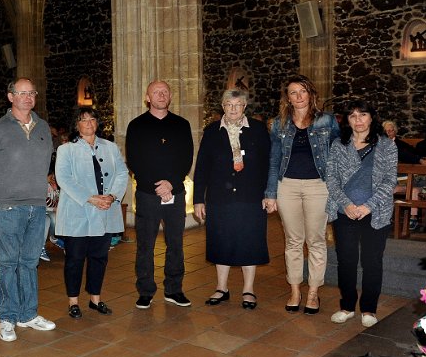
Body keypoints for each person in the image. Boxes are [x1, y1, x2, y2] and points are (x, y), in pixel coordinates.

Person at [0, 78, 57, 342]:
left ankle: (28, 314)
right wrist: (0, 197)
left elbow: (44, 163)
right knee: (8, 263)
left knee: (30, 262)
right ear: (10, 97)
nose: (28, 97)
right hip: (9, 206)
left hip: (37, 204)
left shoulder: (43, 127)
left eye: (31, 93)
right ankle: (8, 317)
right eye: (22, 93)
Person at [263, 74, 340, 314]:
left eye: (303, 91)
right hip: (287, 186)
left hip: (318, 186)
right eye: (293, 92)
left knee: (316, 240)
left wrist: (337, 190)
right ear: (287, 97)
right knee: (293, 241)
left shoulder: (327, 121)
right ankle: (295, 290)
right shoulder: (279, 124)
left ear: (311, 94)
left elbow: (338, 157)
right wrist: (270, 193)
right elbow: (274, 160)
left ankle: (314, 292)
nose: (298, 96)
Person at [193, 89, 271, 310]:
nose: (233, 109)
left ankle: (248, 290)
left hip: (251, 196)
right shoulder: (211, 131)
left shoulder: (258, 129)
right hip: (220, 197)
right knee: (221, 240)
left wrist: (269, 194)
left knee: (250, 241)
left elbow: (269, 164)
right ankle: (221, 288)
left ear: (244, 107)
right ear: (223, 107)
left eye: (238, 105)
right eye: (229, 104)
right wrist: (198, 199)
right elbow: (202, 167)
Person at [326, 100, 398, 327]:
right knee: (346, 261)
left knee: (372, 261)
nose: (358, 120)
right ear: (347, 120)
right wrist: (347, 204)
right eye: (353, 116)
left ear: (371, 117)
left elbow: (390, 180)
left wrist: (368, 206)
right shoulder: (339, 144)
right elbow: (331, 179)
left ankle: (369, 309)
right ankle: (347, 306)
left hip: (375, 212)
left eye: (363, 115)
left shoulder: (386, 145)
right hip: (344, 211)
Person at [125, 80, 194, 310]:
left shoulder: (181, 124)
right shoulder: (136, 125)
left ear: (170, 96)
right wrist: (158, 186)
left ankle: (174, 289)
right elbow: (134, 160)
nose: (161, 95)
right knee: (145, 245)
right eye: (156, 92)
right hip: (147, 194)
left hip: (176, 193)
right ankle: (145, 291)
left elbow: (186, 157)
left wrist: (171, 184)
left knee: (176, 244)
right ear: (148, 98)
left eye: (165, 92)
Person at [54, 107, 129, 318]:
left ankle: (95, 298)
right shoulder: (66, 149)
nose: (88, 123)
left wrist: (112, 196)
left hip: (105, 211)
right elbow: (64, 178)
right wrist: (91, 198)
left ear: (97, 122)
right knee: (75, 259)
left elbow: (122, 173)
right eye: (83, 119)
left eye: (92, 119)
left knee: (99, 257)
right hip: (77, 212)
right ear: (76, 125)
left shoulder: (110, 147)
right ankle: (73, 301)